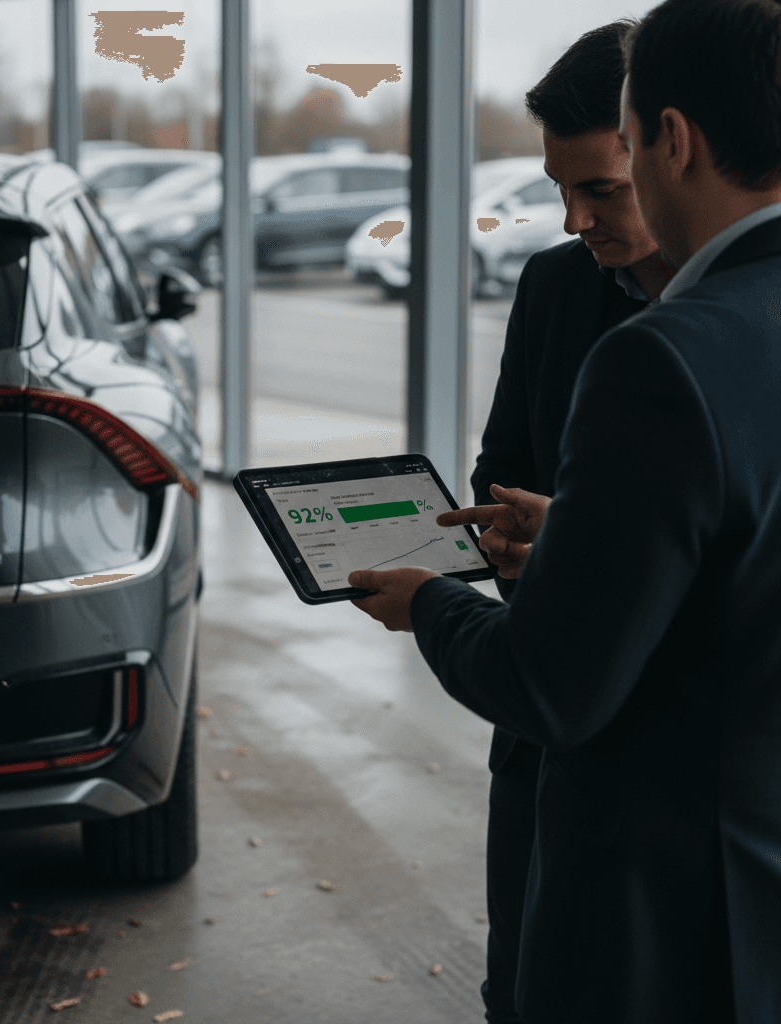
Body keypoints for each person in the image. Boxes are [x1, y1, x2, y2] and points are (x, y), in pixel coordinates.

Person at [348, 0, 781, 1020]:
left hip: (654, 898)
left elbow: (549, 687)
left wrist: (430, 604)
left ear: (668, 142)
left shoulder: (662, 357)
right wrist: (583, 539)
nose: (580, 217)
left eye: (615, 162)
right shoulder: (602, 305)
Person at [463, 22, 675, 1024]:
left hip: (681, 765)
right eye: (560, 190)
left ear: (671, 152)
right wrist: (529, 539)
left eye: (600, 190)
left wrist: (588, 540)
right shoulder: (552, 284)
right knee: (523, 988)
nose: (575, 218)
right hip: (543, 738)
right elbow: (500, 466)